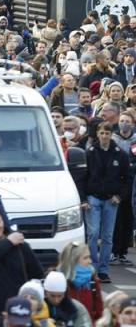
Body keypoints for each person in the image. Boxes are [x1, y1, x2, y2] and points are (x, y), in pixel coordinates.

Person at [83, 119, 131, 283]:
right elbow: (83, 177)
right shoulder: (90, 152)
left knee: (107, 236)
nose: (104, 136)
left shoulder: (120, 154)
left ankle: (103, 270)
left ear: (111, 135)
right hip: (93, 197)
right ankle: (92, 268)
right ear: (97, 134)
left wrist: (120, 196)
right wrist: (83, 199)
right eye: (101, 133)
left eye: (107, 133)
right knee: (93, 233)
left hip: (111, 199)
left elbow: (128, 178)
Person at [56, 241, 102, 322]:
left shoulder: (92, 279)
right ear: (73, 260)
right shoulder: (59, 281)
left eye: (89, 257)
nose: (90, 261)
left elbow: (99, 310)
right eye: (85, 258)